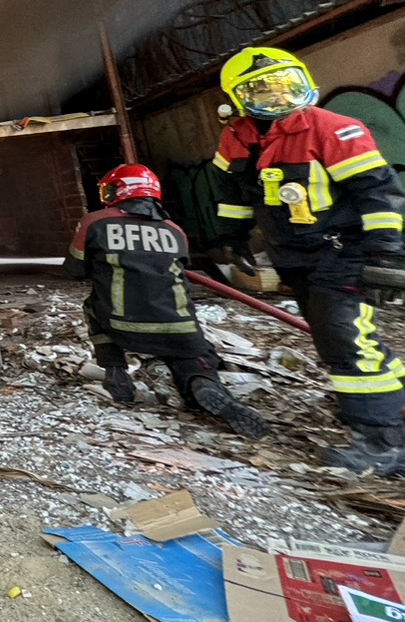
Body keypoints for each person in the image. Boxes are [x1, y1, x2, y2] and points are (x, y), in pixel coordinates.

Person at [212, 45, 405, 475]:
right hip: (294, 256)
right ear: (237, 100)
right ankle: (400, 405)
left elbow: (377, 193)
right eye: (263, 90)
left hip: (343, 250)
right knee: (345, 337)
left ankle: (385, 442)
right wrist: (233, 236)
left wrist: (385, 254)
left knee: (344, 340)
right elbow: (233, 192)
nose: (279, 96)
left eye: (287, 85)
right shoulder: (237, 138)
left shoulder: (333, 129)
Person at [66, 163, 269, 438]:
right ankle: (203, 383)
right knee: (192, 355)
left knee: (93, 307)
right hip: (180, 328)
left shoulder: (95, 221)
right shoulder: (175, 230)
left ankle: (117, 376)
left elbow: (75, 270)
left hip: (123, 325)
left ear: (121, 190)